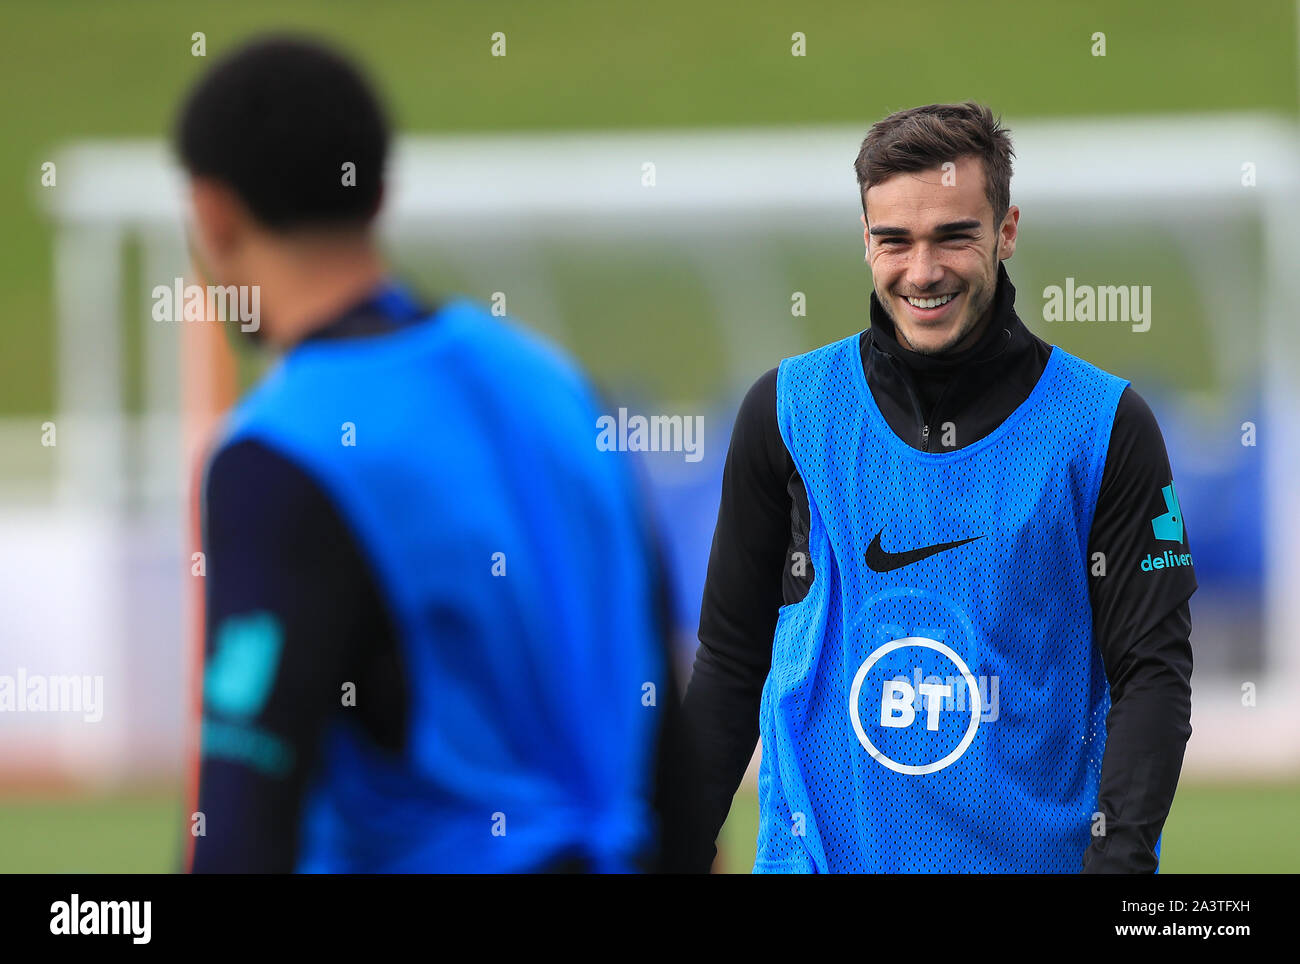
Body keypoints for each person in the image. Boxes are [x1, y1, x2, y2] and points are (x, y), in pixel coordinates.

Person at [179, 35, 684, 873]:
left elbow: (241, 821)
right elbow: (669, 740)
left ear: (212, 213)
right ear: (379, 195)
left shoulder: (281, 452)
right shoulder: (554, 387)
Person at [683, 101, 1195, 873]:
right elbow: (728, 663)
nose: (922, 272)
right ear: (866, 242)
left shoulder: (1106, 427)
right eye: (895, 240)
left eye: (954, 235)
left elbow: (1153, 676)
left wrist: (1119, 866)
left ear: (1006, 230)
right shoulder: (786, 414)